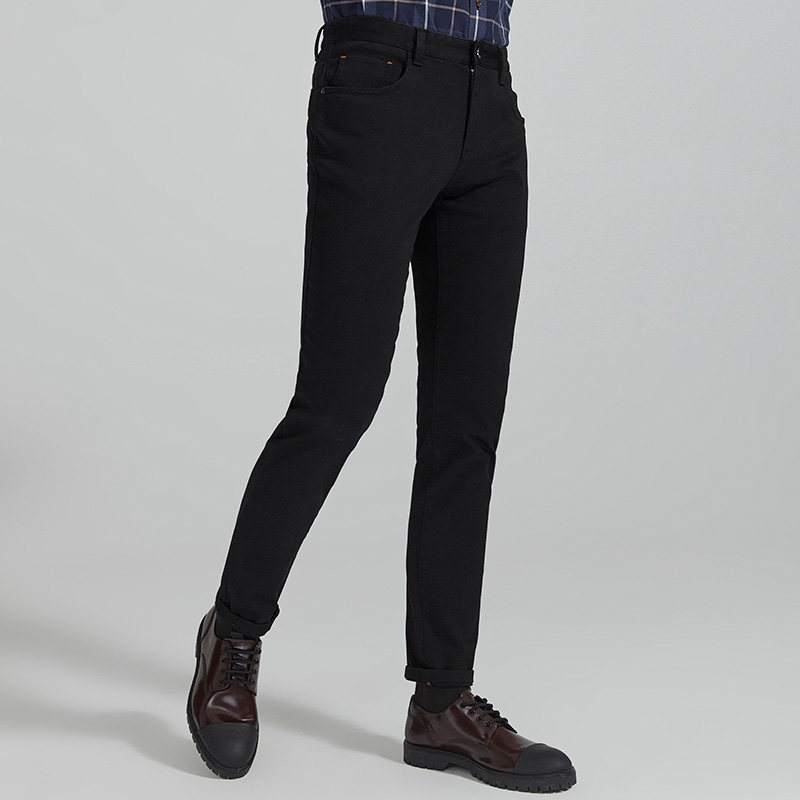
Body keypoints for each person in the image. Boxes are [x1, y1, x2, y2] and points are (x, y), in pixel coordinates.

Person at [187, 2, 576, 791]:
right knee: (337, 399)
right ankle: (233, 633)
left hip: (489, 93)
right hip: (380, 77)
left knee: (467, 422)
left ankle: (442, 701)